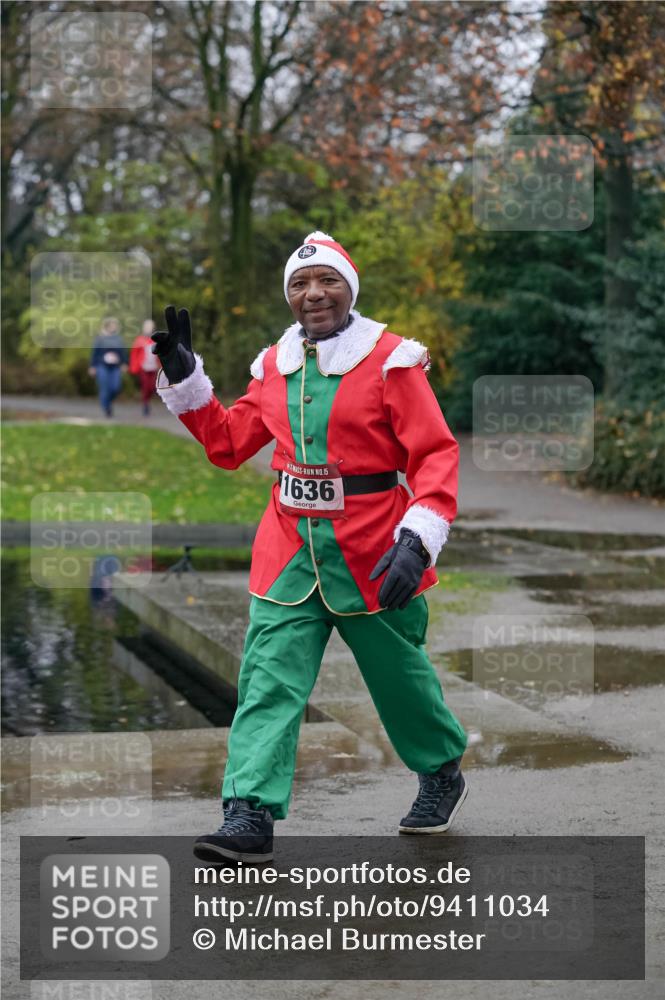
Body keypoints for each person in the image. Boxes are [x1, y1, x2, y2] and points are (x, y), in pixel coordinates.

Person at [152, 232, 468, 863]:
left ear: (349, 288)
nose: (312, 294)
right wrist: (185, 380)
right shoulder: (275, 363)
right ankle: (248, 811)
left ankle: (440, 772)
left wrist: (418, 540)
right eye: (299, 284)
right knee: (267, 682)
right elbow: (229, 443)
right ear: (289, 297)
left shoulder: (389, 360)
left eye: (326, 281)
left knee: (399, 679)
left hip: (377, 553)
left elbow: (435, 454)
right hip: (289, 551)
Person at [89, 317, 128, 417]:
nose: (114, 327)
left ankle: (108, 401)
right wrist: (92, 366)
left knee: (115, 387)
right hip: (102, 366)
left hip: (115, 366)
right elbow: (94, 353)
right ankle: (106, 408)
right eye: (112, 325)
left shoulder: (118, 339)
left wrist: (124, 363)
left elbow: (123, 352)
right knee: (104, 388)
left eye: (115, 325)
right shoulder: (100, 338)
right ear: (107, 326)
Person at [129, 319, 160, 415]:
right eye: (147, 327)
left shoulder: (156, 340)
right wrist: (134, 367)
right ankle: (145, 404)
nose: (149, 329)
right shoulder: (139, 340)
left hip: (154, 367)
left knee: (152, 387)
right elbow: (134, 354)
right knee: (145, 387)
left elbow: (160, 354)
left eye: (150, 327)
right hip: (144, 368)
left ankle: (147, 400)